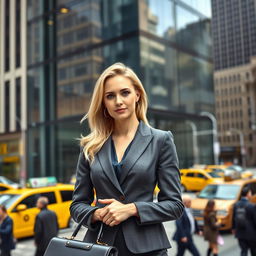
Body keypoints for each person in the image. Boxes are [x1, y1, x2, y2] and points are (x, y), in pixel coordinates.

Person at [70, 62, 184, 255]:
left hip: (148, 249)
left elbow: (175, 205)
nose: (118, 101)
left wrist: (132, 209)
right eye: (110, 96)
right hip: (100, 247)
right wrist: (97, 213)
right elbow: (77, 205)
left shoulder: (161, 140)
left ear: (137, 95)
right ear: (103, 102)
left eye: (125, 93)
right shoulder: (90, 146)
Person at [232, 186, 256, 256]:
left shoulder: (236, 205)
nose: (251, 195)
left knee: (243, 251)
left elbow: (233, 218)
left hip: (240, 233)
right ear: (248, 194)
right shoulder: (252, 206)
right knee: (254, 251)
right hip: (251, 234)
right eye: (251, 193)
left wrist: (233, 228)